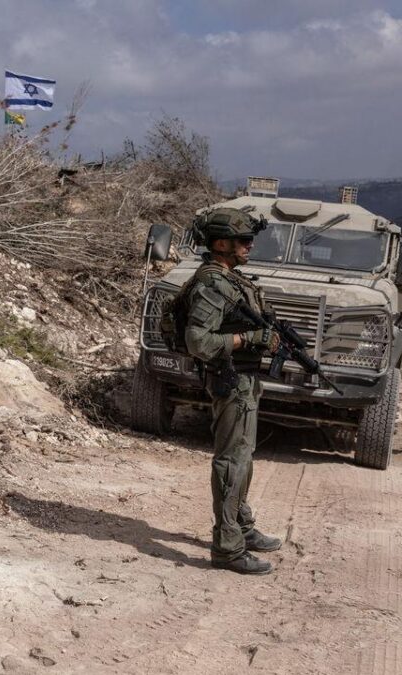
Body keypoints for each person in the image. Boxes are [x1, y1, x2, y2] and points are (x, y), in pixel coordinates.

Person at [181, 207, 283, 575]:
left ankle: (241, 525)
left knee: (244, 457)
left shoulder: (231, 279)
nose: (249, 246)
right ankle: (227, 548)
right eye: (242, 240)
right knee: (230, 462)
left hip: (243, 380)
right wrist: (250, 338)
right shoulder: (212, 283)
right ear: (220, 243)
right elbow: (198, 340)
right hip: (230, 381)